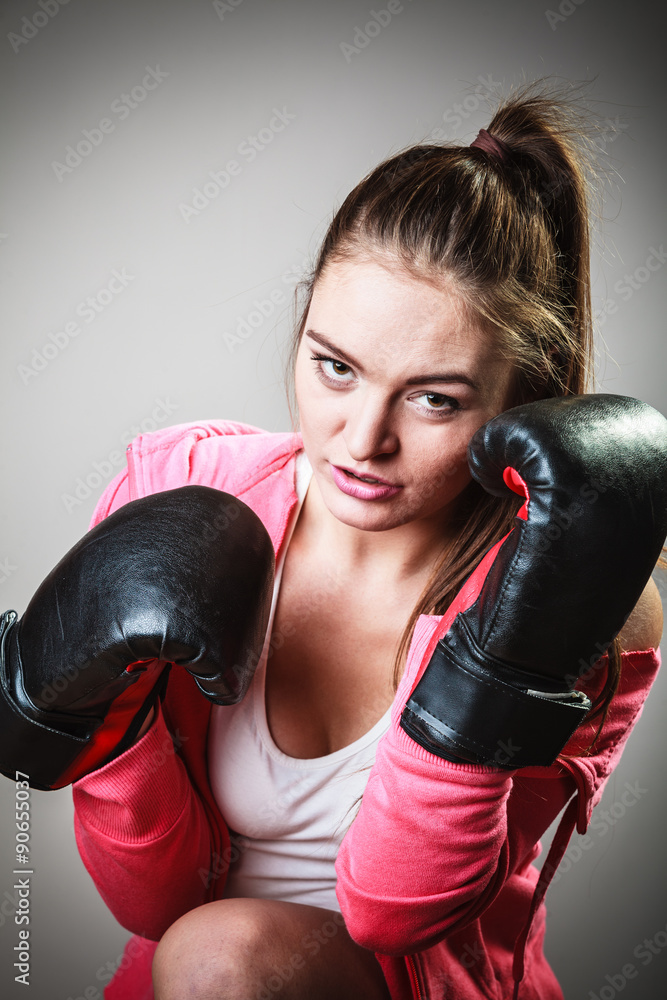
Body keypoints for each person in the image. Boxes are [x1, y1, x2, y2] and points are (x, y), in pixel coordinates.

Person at [2, 80, 665, 999]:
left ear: (526, 397)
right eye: (335, 367)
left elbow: (400, 910)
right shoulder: (183, 490)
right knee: (205, 957)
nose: (362, 440)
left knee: (222, 961)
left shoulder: (584, 588)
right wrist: (97, 729)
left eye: (434, 397)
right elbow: (153, 903)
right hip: (185, 981)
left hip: (415, 984)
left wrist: (500, 664)